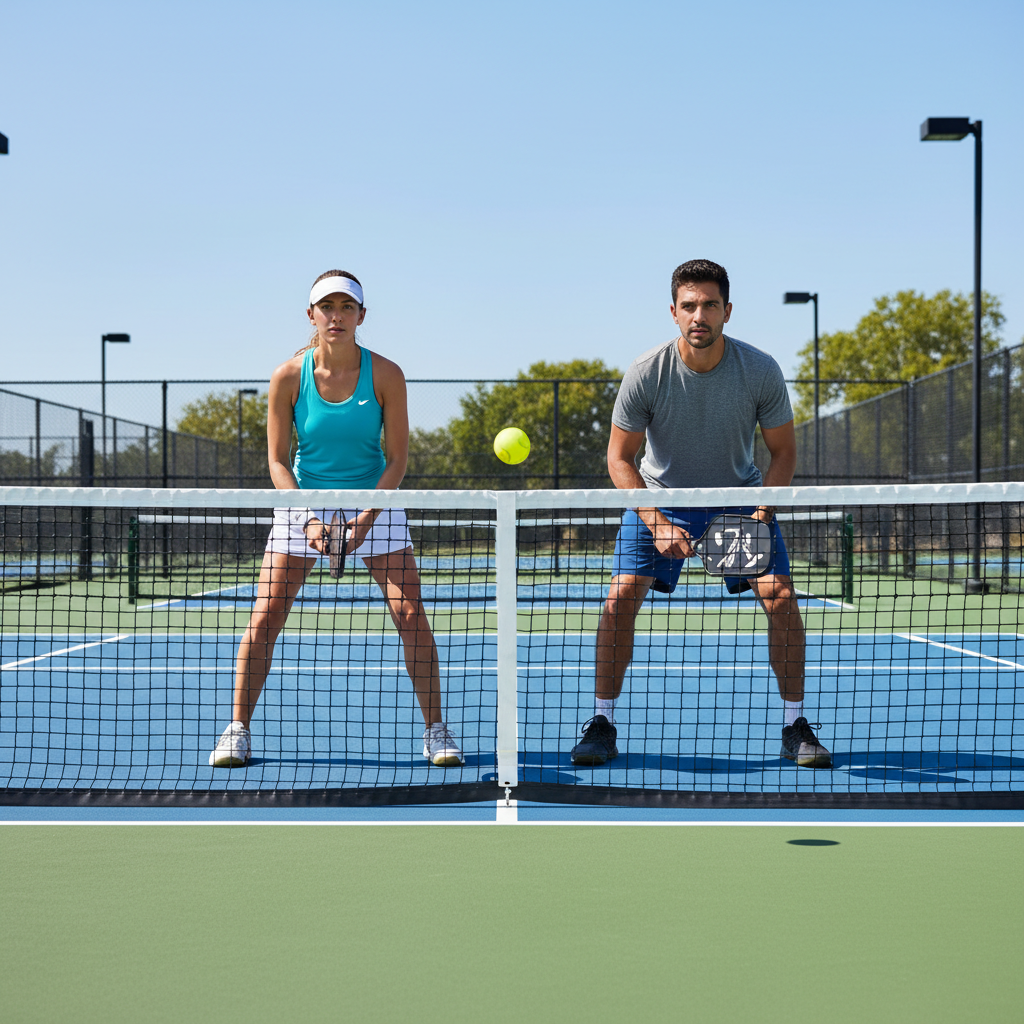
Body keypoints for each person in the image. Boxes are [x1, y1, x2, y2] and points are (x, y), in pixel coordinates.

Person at [570, 259, 831, 769]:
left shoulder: (760, 370)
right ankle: (601, 721)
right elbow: (619, 459)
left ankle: (795, 724)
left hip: (740, 502)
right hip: (659, 500)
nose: (699, 315)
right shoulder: (646, 372)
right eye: (689, 305)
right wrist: (655, 521)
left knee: (781, 599)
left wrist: (760, 513)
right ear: (673, 312)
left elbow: (783, 453)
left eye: (710, 305)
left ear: (727, 311)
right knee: (619, 600)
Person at [209, 270, 464, 769]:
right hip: (302, 502)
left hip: (376, 499)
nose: (337, 316)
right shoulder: (287, 376)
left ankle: (436, 730)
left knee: (411, 614)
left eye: (347, 307)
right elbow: (277, 461)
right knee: (265, 616)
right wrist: (307, 519)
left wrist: (367, 517)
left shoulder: (387, 374)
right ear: (311, 315)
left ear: (362, 316)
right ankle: (237, 730)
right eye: (327, 307)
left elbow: (398, 460)